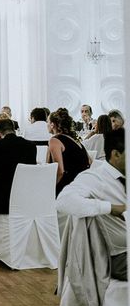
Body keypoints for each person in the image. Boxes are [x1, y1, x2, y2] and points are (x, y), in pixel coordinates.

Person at [56, 129, 126, 281]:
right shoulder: (96, 178)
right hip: (122, 256)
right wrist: (110, 208)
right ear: (116, 154)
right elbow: (63, 201)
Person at [0, 119, 37, 217]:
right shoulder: (31, 145)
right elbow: (31, 169)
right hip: (25, 196)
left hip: (2, 199)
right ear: (13, 129)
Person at [47, 108, 91, 195]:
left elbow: (60, 172)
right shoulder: (75, 140)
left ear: (52, 124)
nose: (47, 125)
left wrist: (48, 189)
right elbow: (90, 161)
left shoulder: (54, 141)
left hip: (68, 189)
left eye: (47, 122)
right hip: (82, 186)